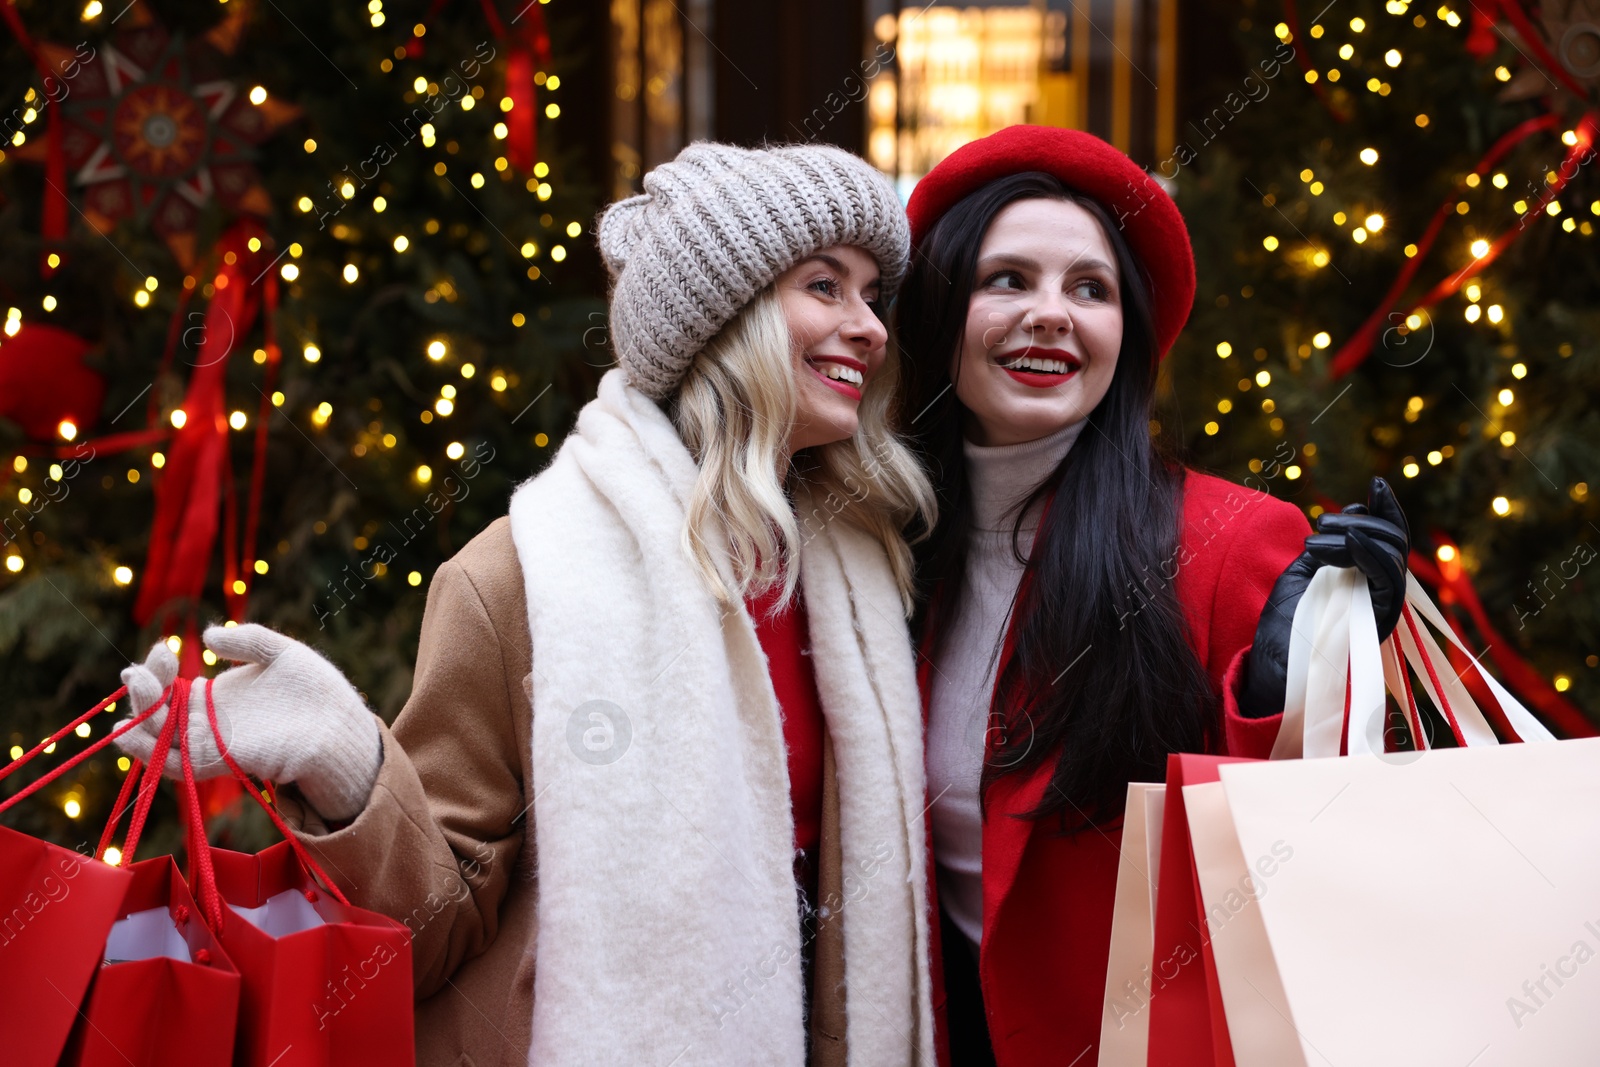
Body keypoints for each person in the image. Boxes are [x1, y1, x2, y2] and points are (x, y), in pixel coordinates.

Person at [115, 141, 941, 1067]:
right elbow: (429, 932)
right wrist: (343, 759)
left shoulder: (865, 571)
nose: (867, 325)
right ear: (726, 319)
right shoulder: (523, 576)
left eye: (874, 294)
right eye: (825, 286)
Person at [894, 125, 1411, 1065]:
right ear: (940, 312)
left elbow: (1309, 851)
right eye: (1006, 279)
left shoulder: (1232, 539)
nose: (1051, 314)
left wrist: (1283, 695)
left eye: (1088, 288)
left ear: (1125, 332)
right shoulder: (880, 545)